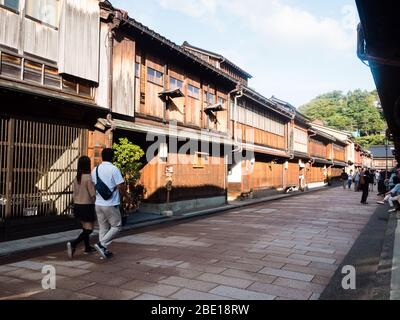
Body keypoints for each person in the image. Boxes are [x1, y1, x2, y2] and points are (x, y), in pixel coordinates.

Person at [92, 148, 126, 259]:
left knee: (103, 228)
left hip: (98, 203)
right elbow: (121, 185)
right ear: (113, 157)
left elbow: (94, 185)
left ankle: (103, 252)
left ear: (102, 157)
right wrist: (124, 196)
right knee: (117, 226)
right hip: (111, 203)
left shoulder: (95, 169)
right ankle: (101, 244)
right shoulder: (114, 169)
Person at [67, 156, 97, 259]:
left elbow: (74, 193)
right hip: (86, 205)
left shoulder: (77, 177)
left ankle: (87, 247)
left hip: (77, 205)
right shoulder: (88, 178)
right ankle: (73, 244)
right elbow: (92, 194)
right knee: (89, 229)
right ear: (88, 165)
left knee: (85, 228)